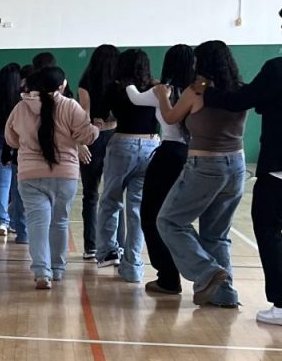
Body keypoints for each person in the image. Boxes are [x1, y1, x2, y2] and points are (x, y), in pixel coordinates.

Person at [201, 9, 282, 325]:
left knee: (267, 228)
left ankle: (281, 303)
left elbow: (239, 100)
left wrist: (205, 91)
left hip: (278, 167)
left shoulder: (276, 69)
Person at [155, 41, 246, 308]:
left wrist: (162, 95)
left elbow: (171, 118)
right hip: (237, 166)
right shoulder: (239, 90)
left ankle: (207, 272)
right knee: (216, 234)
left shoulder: (198, 90)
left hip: (205, 165)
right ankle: (224, 294)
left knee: (169, 222)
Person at [6, 67, 99, 289]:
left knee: (37, 224)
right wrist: (96, 129)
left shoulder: (20, 108)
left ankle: (41, 272)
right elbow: (86, 135)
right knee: (60, 222)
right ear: (61, 86)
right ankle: (57, 268)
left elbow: (11, 139)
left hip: (29, 175)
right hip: (65, 175)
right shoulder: (69, 106)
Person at [125, 44, 193, 295]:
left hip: (169, 154)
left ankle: (168, 276)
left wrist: (129, 80)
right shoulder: (198, 90)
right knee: (180, 217)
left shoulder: (162, 91)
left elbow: (134, 96)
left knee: (151, 215)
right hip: (194, 156)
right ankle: (201, 272)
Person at [93, 49, 159, 283]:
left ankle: (107, 252)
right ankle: (134, 266)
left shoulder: (116, 87)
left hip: (123, 142)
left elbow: (103, 117)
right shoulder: (156, 87)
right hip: (152, 145)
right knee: (137, 208)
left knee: (110, 200)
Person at [77, 44, 121, 260]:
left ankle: (91, 246)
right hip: (115, 137)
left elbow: (83, 113)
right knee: (114, 196)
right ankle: (116, 247)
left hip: (93, 136)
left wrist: (81, 142)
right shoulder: (121, 82)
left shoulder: (86, 82)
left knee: (90, 195)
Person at [0, 63, 26, 240]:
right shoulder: (22, 101)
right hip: (18, 146)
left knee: (1, 185)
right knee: (18, 188)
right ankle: (16, 222)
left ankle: (1, 221)